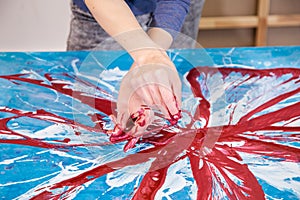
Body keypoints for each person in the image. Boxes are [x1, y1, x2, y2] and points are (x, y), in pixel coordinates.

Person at [67, 0, 205, 139]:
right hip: (104, 10)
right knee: (85, 106)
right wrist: (149, 56)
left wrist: (149, 62)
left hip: (173, 12)